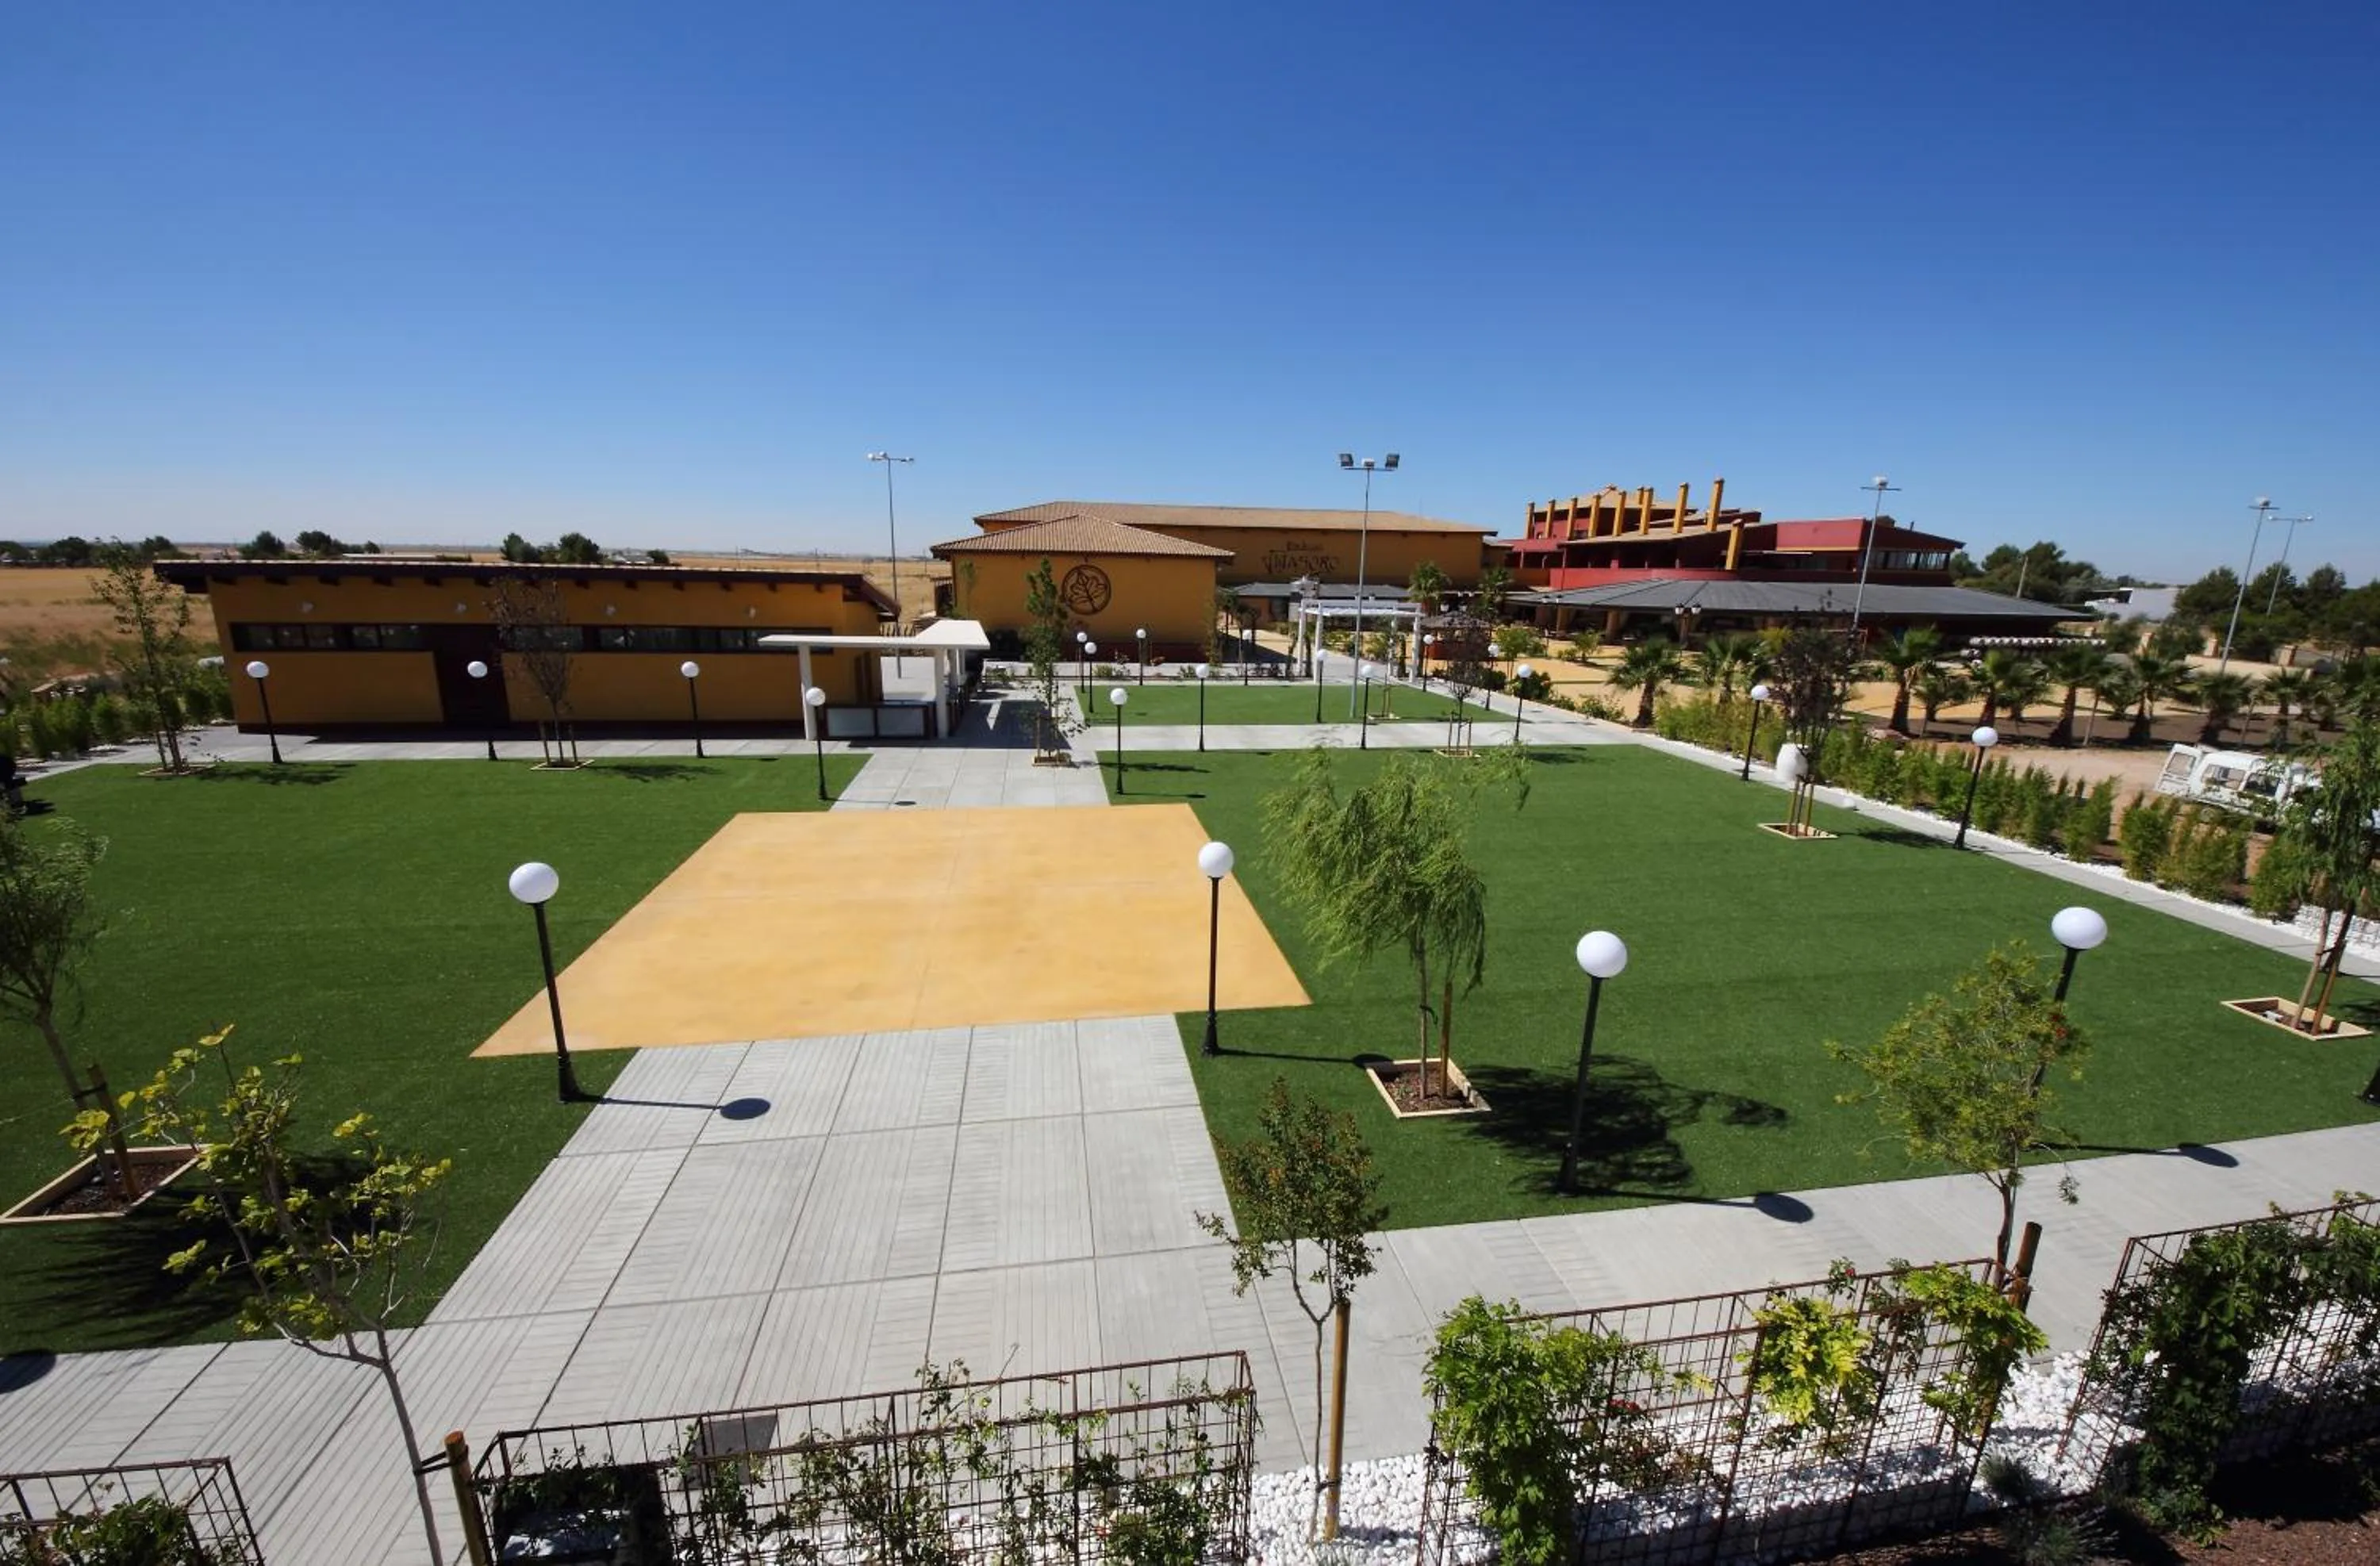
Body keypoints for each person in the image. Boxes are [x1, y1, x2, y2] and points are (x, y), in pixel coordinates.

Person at [0, 747, 21, 816]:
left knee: (7, 791)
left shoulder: (4, 758)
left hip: (5, 779)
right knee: (13, 789)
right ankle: (15, 804)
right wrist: (11, 774)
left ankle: (10, 805)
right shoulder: (4, 757)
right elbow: (13, 766)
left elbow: (13, 766)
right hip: (8, 778)